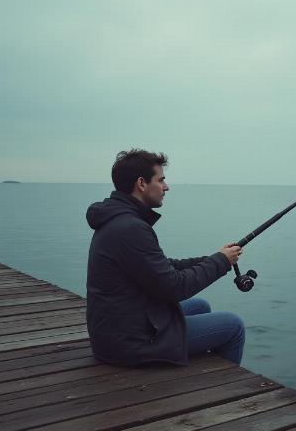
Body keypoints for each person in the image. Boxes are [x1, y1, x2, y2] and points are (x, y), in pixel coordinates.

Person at [85, 149, 245, 367]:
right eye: (161, 180)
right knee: (233, 326)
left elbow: (163, 267)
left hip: (117, 327)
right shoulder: (131, 228)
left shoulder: (119, 219)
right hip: (128, 342)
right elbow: (174, 287)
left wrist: (216, 258)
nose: (166, 187)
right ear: (142, 183)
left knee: (200, 305)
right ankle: (223, 391)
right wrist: (221, 262)